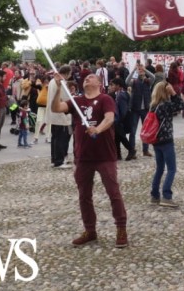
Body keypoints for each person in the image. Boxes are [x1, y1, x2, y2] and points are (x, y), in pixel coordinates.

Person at [51, 73, 128, 248]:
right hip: (83, 157)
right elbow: (56, 108)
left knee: (113, 193)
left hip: (105, 155)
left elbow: (109, 118)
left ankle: (121, 229)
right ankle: (90, 230)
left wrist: (98, 129)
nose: (87, 79)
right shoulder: (76, 101)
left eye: (91, 77)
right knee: (84, 196)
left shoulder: (105, 99)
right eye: (85, 78)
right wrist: (57, 88)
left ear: (99, 83)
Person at [148, 80, 184, 207]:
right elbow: (181, 105)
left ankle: (154, 195)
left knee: (159, 168)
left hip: (156, 140)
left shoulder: (154, 105)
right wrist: (174, 93)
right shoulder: (166, 105)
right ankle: (166, 196)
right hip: (166, 140)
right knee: (171, 168)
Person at [48, 66, 73, 169]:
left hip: (54, 114)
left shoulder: (53, 81)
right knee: (60, 138)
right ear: (67, 73)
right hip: (60, 114)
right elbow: (66, 98)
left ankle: (55, 159)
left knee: (55, 138)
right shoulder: (61, 82)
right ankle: (59, 161)